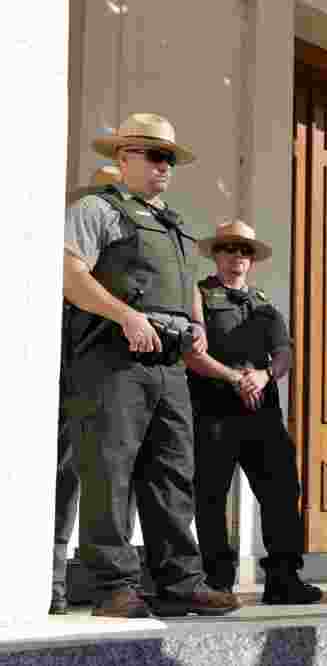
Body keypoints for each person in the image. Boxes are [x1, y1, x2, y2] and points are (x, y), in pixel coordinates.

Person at [63, 113, 240, 618]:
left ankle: (180, 581)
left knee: (172, 474)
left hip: (168, 364)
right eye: (153, 156)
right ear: (122, 159)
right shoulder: (98, 209)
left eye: (169, 159)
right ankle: (113, 586)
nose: (164, 167)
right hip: (113, 358)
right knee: (109, 469)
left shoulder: (175, 223)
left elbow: (187, 289)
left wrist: (198, 325)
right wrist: (125, 316)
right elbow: (70, 273)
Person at [185, 220, 322, 604]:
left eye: (244, 251)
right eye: (229, 249)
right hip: (214, 406)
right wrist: (234, 378)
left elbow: (284, 352)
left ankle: (283, 578)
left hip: (261, 410)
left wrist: (264, 375)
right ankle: (217, 580)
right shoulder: (198, 295)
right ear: (216, 254)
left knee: (280, 491)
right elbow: (192, 353)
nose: (237, 258)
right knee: (210, 496)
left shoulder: (263, 302)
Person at [52, 166, 125, 615]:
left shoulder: (117, 274)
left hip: (95, 384)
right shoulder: (63, 265)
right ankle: (51, 584)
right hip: (60, 382)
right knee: (59, 479)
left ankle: (61, 585)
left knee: (82, 479)